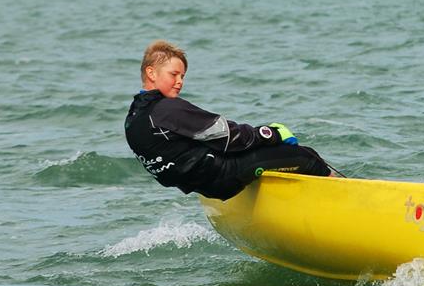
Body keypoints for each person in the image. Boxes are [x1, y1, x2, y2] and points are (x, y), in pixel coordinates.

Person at [125, 40, 331, 200]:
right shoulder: (167, 109)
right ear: (151, 72)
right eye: (174, 74)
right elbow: (227, 136)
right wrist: (270, 133)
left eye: (183, 76)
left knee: (273, 157)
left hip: (202, 184)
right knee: (306, 157)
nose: (180, 82)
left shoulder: (134, 116)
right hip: (224, 176)